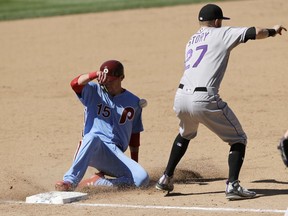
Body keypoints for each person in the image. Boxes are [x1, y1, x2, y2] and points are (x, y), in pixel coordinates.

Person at [155, 3, 287, 200]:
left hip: (181, 97)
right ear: (217, 21)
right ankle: (233, 185)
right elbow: (255, 32)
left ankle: (166, 178)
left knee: (185, 134)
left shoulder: (191, 40)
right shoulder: (222, 33)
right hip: (204, 98)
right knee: (238, 139)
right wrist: (272, 31)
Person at [55, 60, 149, 191]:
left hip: (115, 153)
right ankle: (70, 181)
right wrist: (94, 74)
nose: (107, 83)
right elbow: (75, 84)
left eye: (111, 80)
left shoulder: (134, 102)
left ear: (122, 77)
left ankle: (98, 182)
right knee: (92, 137)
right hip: (93, 149)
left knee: (142, 180)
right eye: (105, 80)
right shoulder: (94, 91)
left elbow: (134, 134)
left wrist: (134, 163)